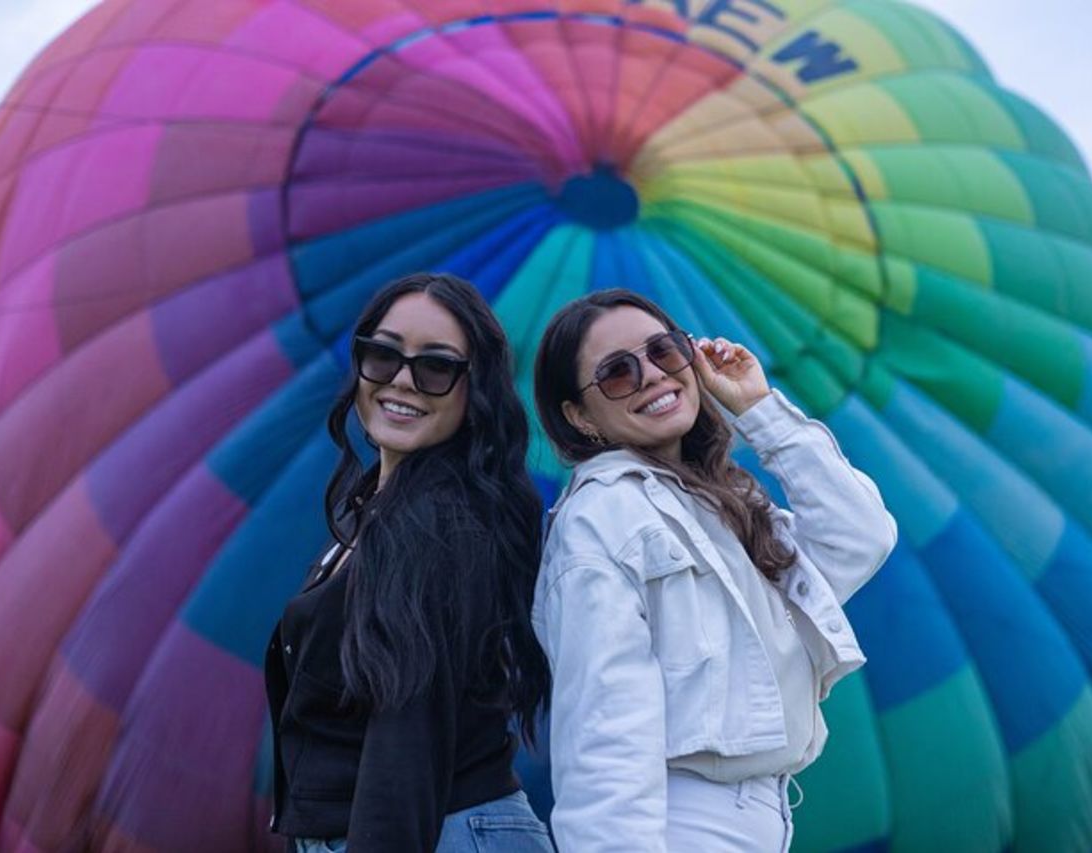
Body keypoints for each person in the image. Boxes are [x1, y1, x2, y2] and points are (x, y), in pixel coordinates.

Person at [531, 289, 897, 852]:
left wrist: (757, 408)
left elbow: (859, 536)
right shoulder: (604, 515)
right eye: (617, 373)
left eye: (664, 351)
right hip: (681, 822)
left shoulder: (719, 504)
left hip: (759, 816)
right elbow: (603, 732)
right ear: (580, 417)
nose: (651, 375)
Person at [264, 272, 554, 852]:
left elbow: (407, 736)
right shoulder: (382, 512)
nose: (402, 380)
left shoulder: (440, 526)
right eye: (384, 355)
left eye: (436, 367)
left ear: (476, 393)